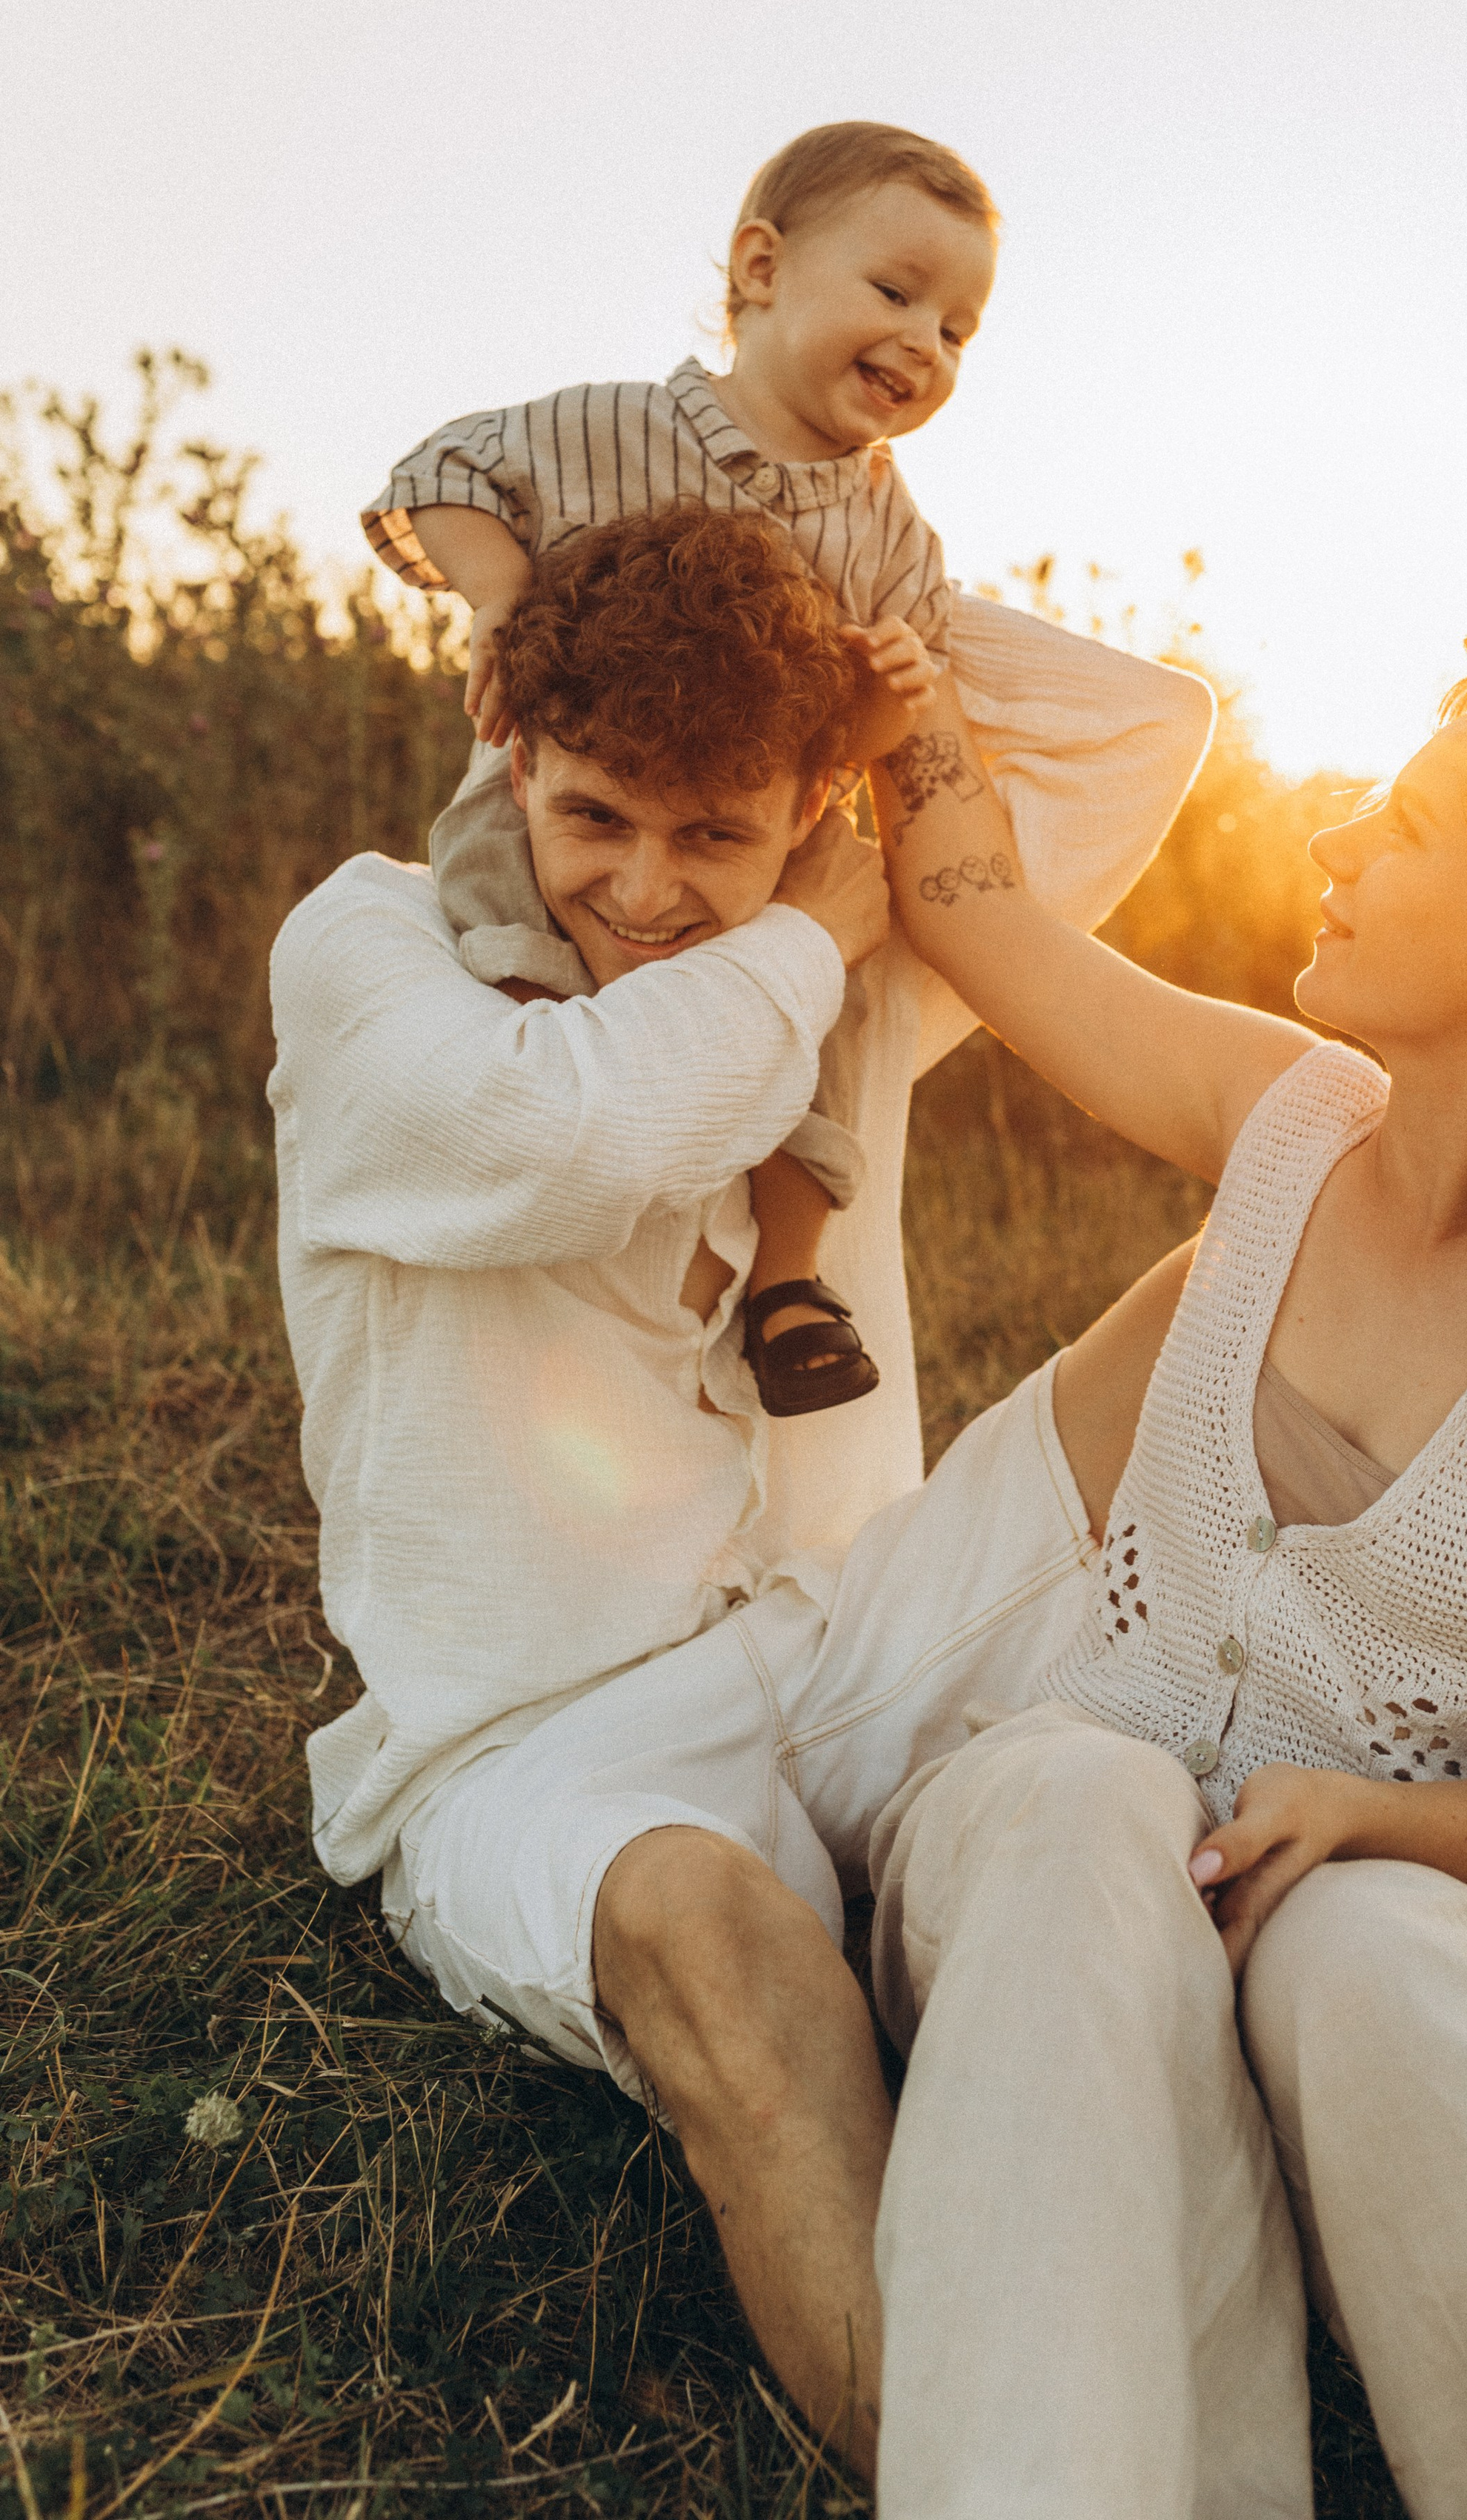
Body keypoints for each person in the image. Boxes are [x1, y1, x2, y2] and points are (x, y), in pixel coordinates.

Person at [836, 636, 1467, 2515]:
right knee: (1087, 1801)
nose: (1329, 837)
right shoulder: (1279, 1120)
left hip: (1443, 1902)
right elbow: (984, 921)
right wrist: (901, 684)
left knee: (1373, 1959)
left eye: (1398, 825)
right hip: (1072, 1808)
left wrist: (1364, 1826)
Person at [268, 500, 1215, 2474]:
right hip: (527, 1746)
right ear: (508, 748)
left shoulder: (838, 977)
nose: (650, 891)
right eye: (599, 814)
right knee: (720, 1935)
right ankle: (1006, 2482)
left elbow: (1139, 730)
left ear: (803, 804)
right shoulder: (371, 952)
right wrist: (814, 919)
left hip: (838, 1634)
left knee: (1256, 1251)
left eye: (718, 832)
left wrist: (861, 618)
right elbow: (561, 1134)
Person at [360, 120, 1002, 1414]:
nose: (926, 344)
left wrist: (882, 709)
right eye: (896, 293)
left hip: (759, 836)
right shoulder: (615, 427)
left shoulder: (891, 537)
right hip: (568, 795)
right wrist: (495, 596)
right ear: (761, 268)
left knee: (839, 992)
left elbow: (870, 740)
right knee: (490, 870)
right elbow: (436, 475)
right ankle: (555, 1098)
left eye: (958, 329)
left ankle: (790, 1279)